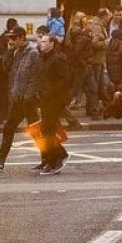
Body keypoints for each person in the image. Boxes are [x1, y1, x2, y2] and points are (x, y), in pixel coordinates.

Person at [0, 26, 41, 172]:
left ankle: (50, 157)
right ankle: (0, 160)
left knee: (34, 130)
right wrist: (9, 51)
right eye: (9, 38)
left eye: (13, 38)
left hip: (27, 99)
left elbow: (35, 77)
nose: (10, 41)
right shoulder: (16, 52)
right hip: (18, 98)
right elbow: (6, 68)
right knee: (11, 128)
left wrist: (28, 95)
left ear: (21, 37)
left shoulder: (33, 53)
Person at [34, 33, 72, 175]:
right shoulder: (44, 58)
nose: (41, 44)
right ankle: (57, 156)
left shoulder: (58, 59)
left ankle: (54, 161)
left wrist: (51, 91)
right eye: (41, 42)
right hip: (46, 99)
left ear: (52, 44)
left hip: (55, 100)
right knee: (46, 130)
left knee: (48, 130)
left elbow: (66, 78)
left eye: (44, 42)